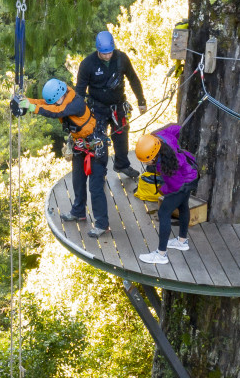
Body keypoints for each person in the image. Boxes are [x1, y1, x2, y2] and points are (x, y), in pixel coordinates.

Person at [10, 78, 110, 239]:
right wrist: (28, 101)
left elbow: (56, 111)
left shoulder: (75, 103)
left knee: (95, 187)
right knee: (77, 180)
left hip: (95, 146)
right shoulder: (60, 99)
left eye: (56, 101)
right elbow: (47, 103)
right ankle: (78, 212)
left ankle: (101, 224)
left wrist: (32, 108)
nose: (55, 103)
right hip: (80, 145)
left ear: (62, 94)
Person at [76, 31, 147, 181]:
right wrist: (79, 114)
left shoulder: (121, 59)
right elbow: (80, 90)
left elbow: (133, 79)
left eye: (109, 52)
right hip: (97, 108)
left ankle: (122, 164)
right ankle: (100, 172)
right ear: (98, 50)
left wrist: (141, 100)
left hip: (118, 106)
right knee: (99, 142)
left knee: (121, 136)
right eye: (104, 53)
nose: (107, 56)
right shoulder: (88, 64)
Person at [136, 126, 199, 265]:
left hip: (183, 182)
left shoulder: (166, 166)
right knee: (183, 206)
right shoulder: (160, 136)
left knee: (164, 213)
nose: (145, 164)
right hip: (191, 172)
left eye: (147, 161)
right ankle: (182, 241)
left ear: (154, 157)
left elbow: (174, 187)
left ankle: (161, 254)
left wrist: (162, 189)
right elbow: (176, 127)